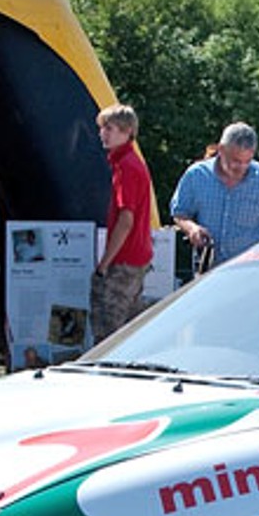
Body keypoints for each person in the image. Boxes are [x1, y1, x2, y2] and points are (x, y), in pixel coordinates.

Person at [170, 121, 259, 266]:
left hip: (253, 269)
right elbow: (180, 213)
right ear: (221, 150)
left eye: (247, 161)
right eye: (235, 161)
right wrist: (192, 228)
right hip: (210, 269)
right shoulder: (196, 175)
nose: (241, 167)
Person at [91, 104, 155, 340]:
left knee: (108, 328)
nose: (103, 134)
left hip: (125, 259)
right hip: (136, 256)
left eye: (109, 128)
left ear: (127, 131)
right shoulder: (127, 162)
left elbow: (126, 219)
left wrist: (104, 263)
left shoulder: (126, 166)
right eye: (102, 128)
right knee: (130, 322)